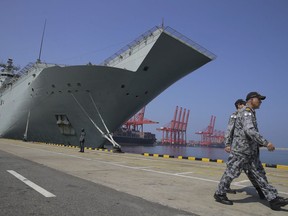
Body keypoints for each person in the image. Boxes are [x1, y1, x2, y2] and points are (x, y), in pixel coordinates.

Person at [214, 92, 288, 210]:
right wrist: (266, 143)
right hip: (241, 151)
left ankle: (273, 199)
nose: (260, 102)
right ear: (251, 99)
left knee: (259, 174)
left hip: (251, 151)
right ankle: (219, 193)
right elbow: (250, 130)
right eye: (259, 99)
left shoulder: (250, 112)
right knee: (231, 172)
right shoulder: (246, 112)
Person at [224, 99, 265, 199]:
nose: (244, 106)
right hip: (238, 147)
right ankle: (223, 188)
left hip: (249, 148)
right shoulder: (235, 115)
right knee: (233, 170)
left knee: (251, 171)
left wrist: (258, 142)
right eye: (242, 104)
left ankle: (261, 191)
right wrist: (227, 144)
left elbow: (253, 130)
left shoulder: (247, 113)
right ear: (238, 105)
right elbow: (229, 130)